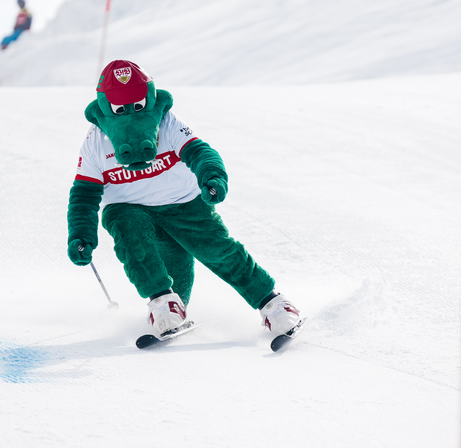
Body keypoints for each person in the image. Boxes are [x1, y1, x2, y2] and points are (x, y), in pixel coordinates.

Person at [66, 59, 302, 339]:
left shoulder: (167, 123)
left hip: (184, 204)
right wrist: (81, 234)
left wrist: (211, 176)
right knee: (132, 238)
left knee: (216, 250)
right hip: (128, 207)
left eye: (138, 105)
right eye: (120, 107)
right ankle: (162, 303)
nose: (130, 112)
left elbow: (199, 152)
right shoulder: (95, 141)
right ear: (104, 108)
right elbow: (84, 193)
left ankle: (272, 304)